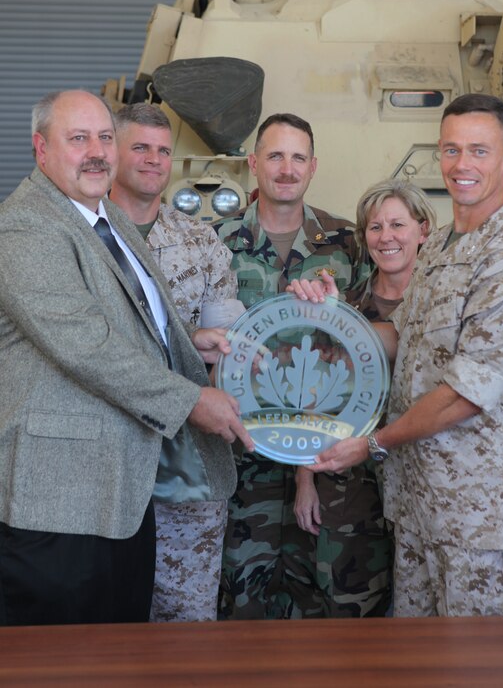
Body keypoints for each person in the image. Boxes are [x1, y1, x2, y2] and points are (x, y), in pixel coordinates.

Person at [0, 90, 252, 627]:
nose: (96, 151)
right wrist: (188, 400)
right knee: (57, 660)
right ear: (41, 149)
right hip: (60, 496)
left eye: (104, 137)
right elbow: (81, 340)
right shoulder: (25, 226)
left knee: (120, 651)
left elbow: (130, 317)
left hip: (121, 490)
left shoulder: (105, 214)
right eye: (78, 138)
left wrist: (183, 340)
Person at [295, 94, 503, 617]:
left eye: (479, 149)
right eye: (451, 150)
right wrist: (338, 318)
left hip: (478, 518)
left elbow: (464, 398)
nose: (462, 164)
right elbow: (396, 338)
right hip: (418, 508)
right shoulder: (444, 245)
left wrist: (374, 444)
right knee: (418, 665)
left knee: (478, 668)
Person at [213, 112, 368, 619]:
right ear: (254, 164)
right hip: (241, 457)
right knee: (240, 600)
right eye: (275, 156)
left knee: (325, 604)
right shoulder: (214, 242)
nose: (286, 168)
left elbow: (367, 347)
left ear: (313, 166)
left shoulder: (347, 242)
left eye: (297, 157)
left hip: (324, 457)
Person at [110, 102, 244, 622]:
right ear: (113, 152)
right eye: (139, 147)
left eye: (163, 150)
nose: (153, 160)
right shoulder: (84, 236)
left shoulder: (201, 243)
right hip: (105, 467)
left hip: (187, 471)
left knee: (186, 626)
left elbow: (226, 354)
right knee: (102, 626)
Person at [293, 179, 437, 617]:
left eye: (397, 224)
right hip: (349, 487)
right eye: (375, 227)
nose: (386, 237)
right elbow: (312, 394)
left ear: (423, 230)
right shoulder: (345, 304)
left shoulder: (440, 303)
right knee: (350, 611)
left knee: (426, 614)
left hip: (426, 482)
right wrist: (305, 482)